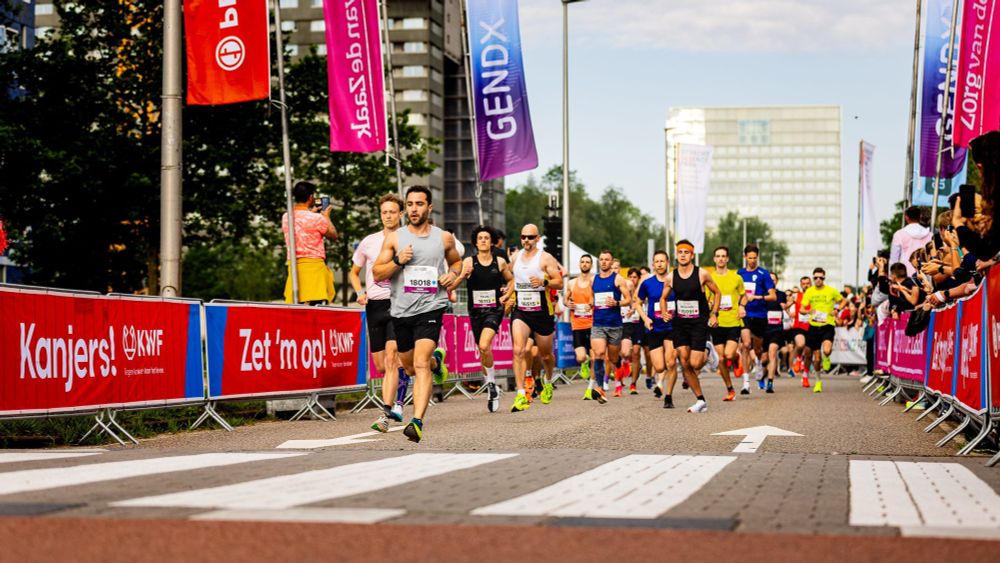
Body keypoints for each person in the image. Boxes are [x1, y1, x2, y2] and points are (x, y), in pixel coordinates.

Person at [372, 186, 463, 442]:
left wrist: (453, 274)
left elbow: (456, 262)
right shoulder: (394, 239)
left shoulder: (443, 238)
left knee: (420, 363)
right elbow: (377, 273)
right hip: (401, 311)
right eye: (410, 204)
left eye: (419, 204)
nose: (413, 209)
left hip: (431, 306)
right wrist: (399, 261)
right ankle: (437, 361)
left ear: (429, 207)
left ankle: (417, 421)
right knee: (410, 367)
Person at [350, 194, 406, 429]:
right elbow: (354, 272)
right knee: (382, 366)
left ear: (400, 214)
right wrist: (359, 292)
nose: (388, 216)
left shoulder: (408, 240)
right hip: (374, 306)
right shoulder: (369, 242)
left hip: (399, 304)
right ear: (380, 214)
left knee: (393, 358)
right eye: (384, 212)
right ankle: (432, 362)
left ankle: (387, 413)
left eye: (393, 212)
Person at [659, 240, 721, 412]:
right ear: (676, 255)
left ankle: (707, 350)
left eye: (687, 252)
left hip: (698, 322)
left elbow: (717, 292)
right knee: (684, 361)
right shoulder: (671, 277)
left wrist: (714, 313)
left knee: (694, 363)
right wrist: (664, 312)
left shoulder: (702, 274)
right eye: (680, 252)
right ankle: (700, 399)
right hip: (680, 322)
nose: (683, 255)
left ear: (692, 255)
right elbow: (663, 298)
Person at [459, 226, 514, 413]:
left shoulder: (499, 262)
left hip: (494, 310)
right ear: (475, 242)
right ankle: (492, 385)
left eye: (486, 238)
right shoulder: (468, 261)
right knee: (483, 351)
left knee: (484, 345)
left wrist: (508, 293)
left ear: (491, 242)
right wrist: (462, 275)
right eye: (480, 238)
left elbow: (511, 280)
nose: (483, 240)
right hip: (475, 311)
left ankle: (491, 385)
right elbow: (457, 282)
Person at [509, 224, 564, 412]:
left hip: (542, 312)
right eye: (523, 237)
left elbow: (560, 283)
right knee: (518, 349)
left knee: (546, 355)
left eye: (530, 237)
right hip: (521, 311)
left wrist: (544, 282)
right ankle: (520, 394)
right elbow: (510, 279)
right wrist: (507, 294)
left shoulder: (545, 258)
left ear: (537, 238)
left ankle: (548, 381)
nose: (526, 240)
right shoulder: (515, 257)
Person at [282, 181, 338, 304]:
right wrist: (326, 216)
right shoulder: (317, 218)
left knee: (296, 306)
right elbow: (333, 235)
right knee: (316, 307)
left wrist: (311, 213)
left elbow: (301, 221)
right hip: (314, 268)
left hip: (295, 267)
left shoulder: (286, 217)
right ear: (311, 197)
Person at [589, 250, 633, 404]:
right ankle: (600, 388)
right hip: (598, 323)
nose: (604, 262)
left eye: (607, 259)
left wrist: (617, 303)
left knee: (613, 358)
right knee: (599, 353)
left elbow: (628, 299)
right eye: (601, 259)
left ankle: (620, 371)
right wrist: (590, 303)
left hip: (614, 324)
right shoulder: (593, 279)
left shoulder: (618, 279)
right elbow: (590, 297)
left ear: (611, 261)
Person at [636, 250, 677, 407]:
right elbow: (638, 303)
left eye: (662, 261)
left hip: (672, 327)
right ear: (653, 264)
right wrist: (645, 318)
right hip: (654, 328)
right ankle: (663, 377)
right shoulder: (647, 283)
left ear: (667, 263)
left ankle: (668, 396)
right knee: (660, 366)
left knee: (671, 362)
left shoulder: (675, 281)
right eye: (657, 261)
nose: (659, 264)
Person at [706, 246, 745, 402]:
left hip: (733, 321)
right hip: (717, 322)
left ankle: (736, 357)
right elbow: (707, 298)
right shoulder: (709, 278)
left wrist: (742, 306)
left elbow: (744, 296)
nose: (721, 258)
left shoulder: (736, 278)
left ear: (727, 259)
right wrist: (710, 308)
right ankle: (730, 389)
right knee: (721, 359)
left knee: (728, 355)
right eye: (718, 256)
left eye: (723, 256)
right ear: (714, 259)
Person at [800, 267, 847, 393]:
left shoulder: (831, 290)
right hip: (814, 326)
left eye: (821, 277)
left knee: (826, 350)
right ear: (813, 278)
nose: (818, 280)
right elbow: (801, 309)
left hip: (827, 325)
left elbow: (843, 301)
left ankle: (827, 356)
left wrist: (837, 310)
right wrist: (808, 310)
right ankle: (818, 381)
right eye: (816, 277)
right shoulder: (809, 291)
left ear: (824, 278)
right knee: (816, 358)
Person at [737, 244, 776, 393]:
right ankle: (746, 382)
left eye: (755, 258)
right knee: (746, 345)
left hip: (760, 315)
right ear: (745, 257)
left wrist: (757, 297)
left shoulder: (763, 274)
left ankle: (759, 363)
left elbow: (772, 296)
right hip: (745, 314)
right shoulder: (739, 273)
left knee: (758, 350)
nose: (752, 261)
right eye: (750, 258)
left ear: (757, 257)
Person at [564, 254, 595, 397]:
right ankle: (585, 362)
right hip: (577, 324)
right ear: (579, 264)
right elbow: (565, 299)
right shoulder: (571, 283)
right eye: (582, 262)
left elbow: (598, 298)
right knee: (580, 357)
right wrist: (567, 303)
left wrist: (593, 303)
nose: (585, 264)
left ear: (591, 265)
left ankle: (590, 388)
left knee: (595, 357)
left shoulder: (594, 282)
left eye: (587, 262)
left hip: (593, 324)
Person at [762, 272, 791, 393]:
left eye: (774, 280)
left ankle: (770, 382)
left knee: (772, 353)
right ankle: (762, 376)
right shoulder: (762, 294)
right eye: (770, 280)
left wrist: (788, 304)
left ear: (777, 281)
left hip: (776, 329)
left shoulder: (781, 294)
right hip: (763, 328)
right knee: (763, 359)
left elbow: (784, 307)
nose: (772, 282)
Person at [621, 268, 645, 395]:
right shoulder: (623, 290)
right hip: (625, 323)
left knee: (636, 352)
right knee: (626, 353)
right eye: (630, 276)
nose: (632, 279)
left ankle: (633, 383)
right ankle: (629, 365)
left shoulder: (642, 290)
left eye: (635, 277)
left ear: (638, 278)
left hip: (638, 324)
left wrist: (635, 307)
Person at [890, 206, 933, 276]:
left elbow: (894, 259)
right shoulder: (930, 235)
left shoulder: (899, 234)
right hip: (926, 275)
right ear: (919, 217)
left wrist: (891, 277)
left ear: (906, 217)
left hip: (904, 276)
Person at [788, 276, 813, 379]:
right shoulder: (796, 295)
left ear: (811, 284)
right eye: (804, 283)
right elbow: (785, 305)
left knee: (808, 353)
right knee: (800, 344)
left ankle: (805, 375)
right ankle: (798, 359)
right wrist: (789, 313)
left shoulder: (815, 296)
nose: (806, 285)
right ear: (801, 285)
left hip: (811, 326)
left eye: (808, 283)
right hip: (799, 326)